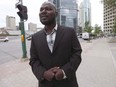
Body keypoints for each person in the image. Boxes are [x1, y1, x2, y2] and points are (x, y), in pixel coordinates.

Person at [29, 1, 82, 87]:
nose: (43, 11)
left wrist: (64, 71)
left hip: (67, 83)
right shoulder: (35, 37)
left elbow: (77, 54)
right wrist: (43, 73)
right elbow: (33, 60)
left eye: (48, 9)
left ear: (56, 13)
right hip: (45, 83)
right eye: (41, 9)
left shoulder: (70, 32)